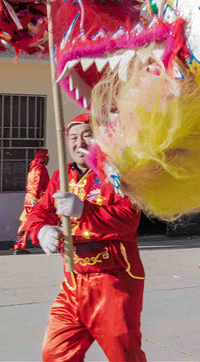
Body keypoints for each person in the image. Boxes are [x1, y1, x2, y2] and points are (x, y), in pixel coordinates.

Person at [24, 114, 145, 361]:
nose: (79, 143)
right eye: (73, 137)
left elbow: (129, 219)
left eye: (87, 136)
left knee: (124, 354)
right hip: (72, 281)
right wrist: (41, 230)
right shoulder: (61, 177)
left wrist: (83, 210)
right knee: (55, 354)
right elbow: (40, 212)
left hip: (113, 281)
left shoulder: (118, 173)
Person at [14, 148, 50, 252]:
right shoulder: (40, 168)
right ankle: (48, 243)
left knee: (25, 223)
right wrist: (36, 199)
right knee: (44, 219)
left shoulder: (32, 168)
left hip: (30, 198)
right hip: (36, 198)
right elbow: (37, 184)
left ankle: (18, 244)